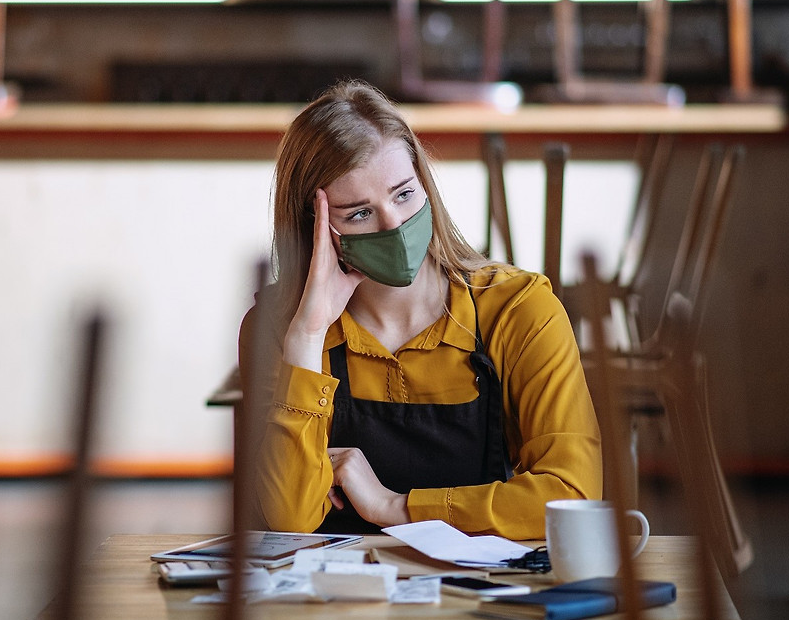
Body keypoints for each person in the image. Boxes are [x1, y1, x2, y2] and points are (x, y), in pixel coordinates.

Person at [238, 80, 600, 540]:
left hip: (483, 596)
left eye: (404, 194)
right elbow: (288, 519)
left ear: (425, 185)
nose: (395, 224)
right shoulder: (276, 330)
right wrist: (307, 337)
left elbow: (572, 494)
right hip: (337, 600)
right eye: (359, 213)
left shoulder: (520, 310)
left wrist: (396, 507)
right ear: (317, 228)